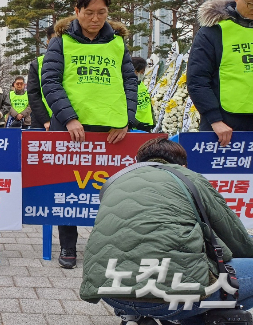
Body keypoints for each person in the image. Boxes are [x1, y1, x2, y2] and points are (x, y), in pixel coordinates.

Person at [80, 137, 253, 325]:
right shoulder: (189, 177)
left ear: (138, 162)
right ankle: (201, 318)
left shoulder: (116, 181)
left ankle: (136, 317)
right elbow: (235, 237)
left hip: (112, 295)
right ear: (184, 165)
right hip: (173, 298)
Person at [42, 0, 138, 269]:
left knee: (112, 190)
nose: (95, 19)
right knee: (68, 186)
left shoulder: (118, 43)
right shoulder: (60, 42)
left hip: (111, 129)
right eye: (89, 13)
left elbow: (130, 83)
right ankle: (68, 247)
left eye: (101, 13)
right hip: (71, 127)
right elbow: (50, 81)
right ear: (76, 11)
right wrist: (69, 117)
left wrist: (126, 119)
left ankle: (105, 245)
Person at [188, 0, 253, 147]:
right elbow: (197, 80)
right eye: (251, 4)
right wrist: (214, 120)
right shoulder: (213, 31)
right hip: (224, 127)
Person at [27, 25, 56, 130]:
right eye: (55, 40)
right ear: (48, 42)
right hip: (42, 122)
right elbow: (33, 94)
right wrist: (45, 120)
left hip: (72, 123)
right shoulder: (37, 64)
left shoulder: (74, 62)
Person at [131, 56, 155, 132]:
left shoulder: (142, 85)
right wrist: (137, 124)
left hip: (147, 126)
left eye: (143, 72)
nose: (142, 74)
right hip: (134, 128)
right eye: (140, 72)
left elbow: (148, 104)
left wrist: (153, 122)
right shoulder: (126, 87)